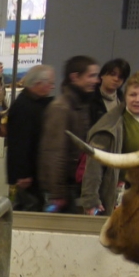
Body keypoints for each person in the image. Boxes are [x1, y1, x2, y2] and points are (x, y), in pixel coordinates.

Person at [38, 55, 99, 213]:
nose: (96, 80)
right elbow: (54, 153)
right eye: (91, 76)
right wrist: (58, 192)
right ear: (75, 77)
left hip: (71, 187)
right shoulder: (61, 108)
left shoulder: (80, 105)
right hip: (63, 190)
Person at [81, 71, 139, 216]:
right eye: (133, 95)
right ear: (125, 96)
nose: (138, 99)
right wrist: (90, 200)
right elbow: (94, 165)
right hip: (124, 197)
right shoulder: (109, 126)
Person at [5, 64, 55, 212]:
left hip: (33, 172)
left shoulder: (35, 103)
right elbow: (19, 143)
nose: (52, 87)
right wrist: (23, 174)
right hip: (27, 175)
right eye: (50, 84)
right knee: (29, 208)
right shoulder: (23, 107)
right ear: (38, 84)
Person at [88, 58, 131, 127]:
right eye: (112, 74)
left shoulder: (124, 101)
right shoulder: (90, 99)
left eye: (120, 77)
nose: (116, 79)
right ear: (102, 75)